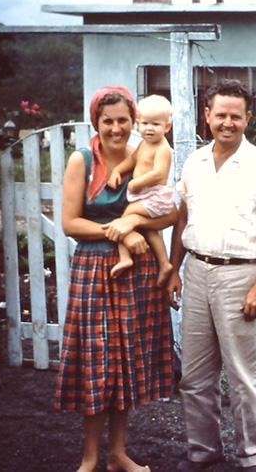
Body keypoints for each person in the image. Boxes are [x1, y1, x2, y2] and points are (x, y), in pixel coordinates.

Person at [166, 79, 256, 472]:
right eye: (220, 114)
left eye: (236, 116)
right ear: (207, 116)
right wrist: (173, 270)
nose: (228, 122)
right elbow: (183, 218)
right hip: (198, 271)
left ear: (247, 118)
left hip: (240, 278)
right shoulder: (194, 163)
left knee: (243, 376)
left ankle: (252, 456)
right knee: (194, 376)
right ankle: (203, 451)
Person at [55, 85, 176, 472]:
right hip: (95, 270)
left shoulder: (142, 154)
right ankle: (90, 456)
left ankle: (117, 454)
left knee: (124, 364)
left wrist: (133, 226)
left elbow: (169, 213)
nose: (117, 128)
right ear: (97, 122)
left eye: (124, 120)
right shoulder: (82, 160)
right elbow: (71, 222)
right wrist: (122, 232)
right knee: (98, 363)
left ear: (134, 121)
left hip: (136, 272)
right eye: (108, 121)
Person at [108, 94, 175, 286]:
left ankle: (124, 257)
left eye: (156, 124)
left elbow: (159, 174)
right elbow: (131, 161)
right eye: (145, 123)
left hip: (155, 195)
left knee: (126, 217)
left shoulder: (163, 148)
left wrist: (136, 183)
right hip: (146, 195)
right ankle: (164, 263)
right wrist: (117, 171)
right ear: (138, 123)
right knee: (148, 228)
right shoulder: (143, 144)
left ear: (167, 127)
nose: (149, 128)